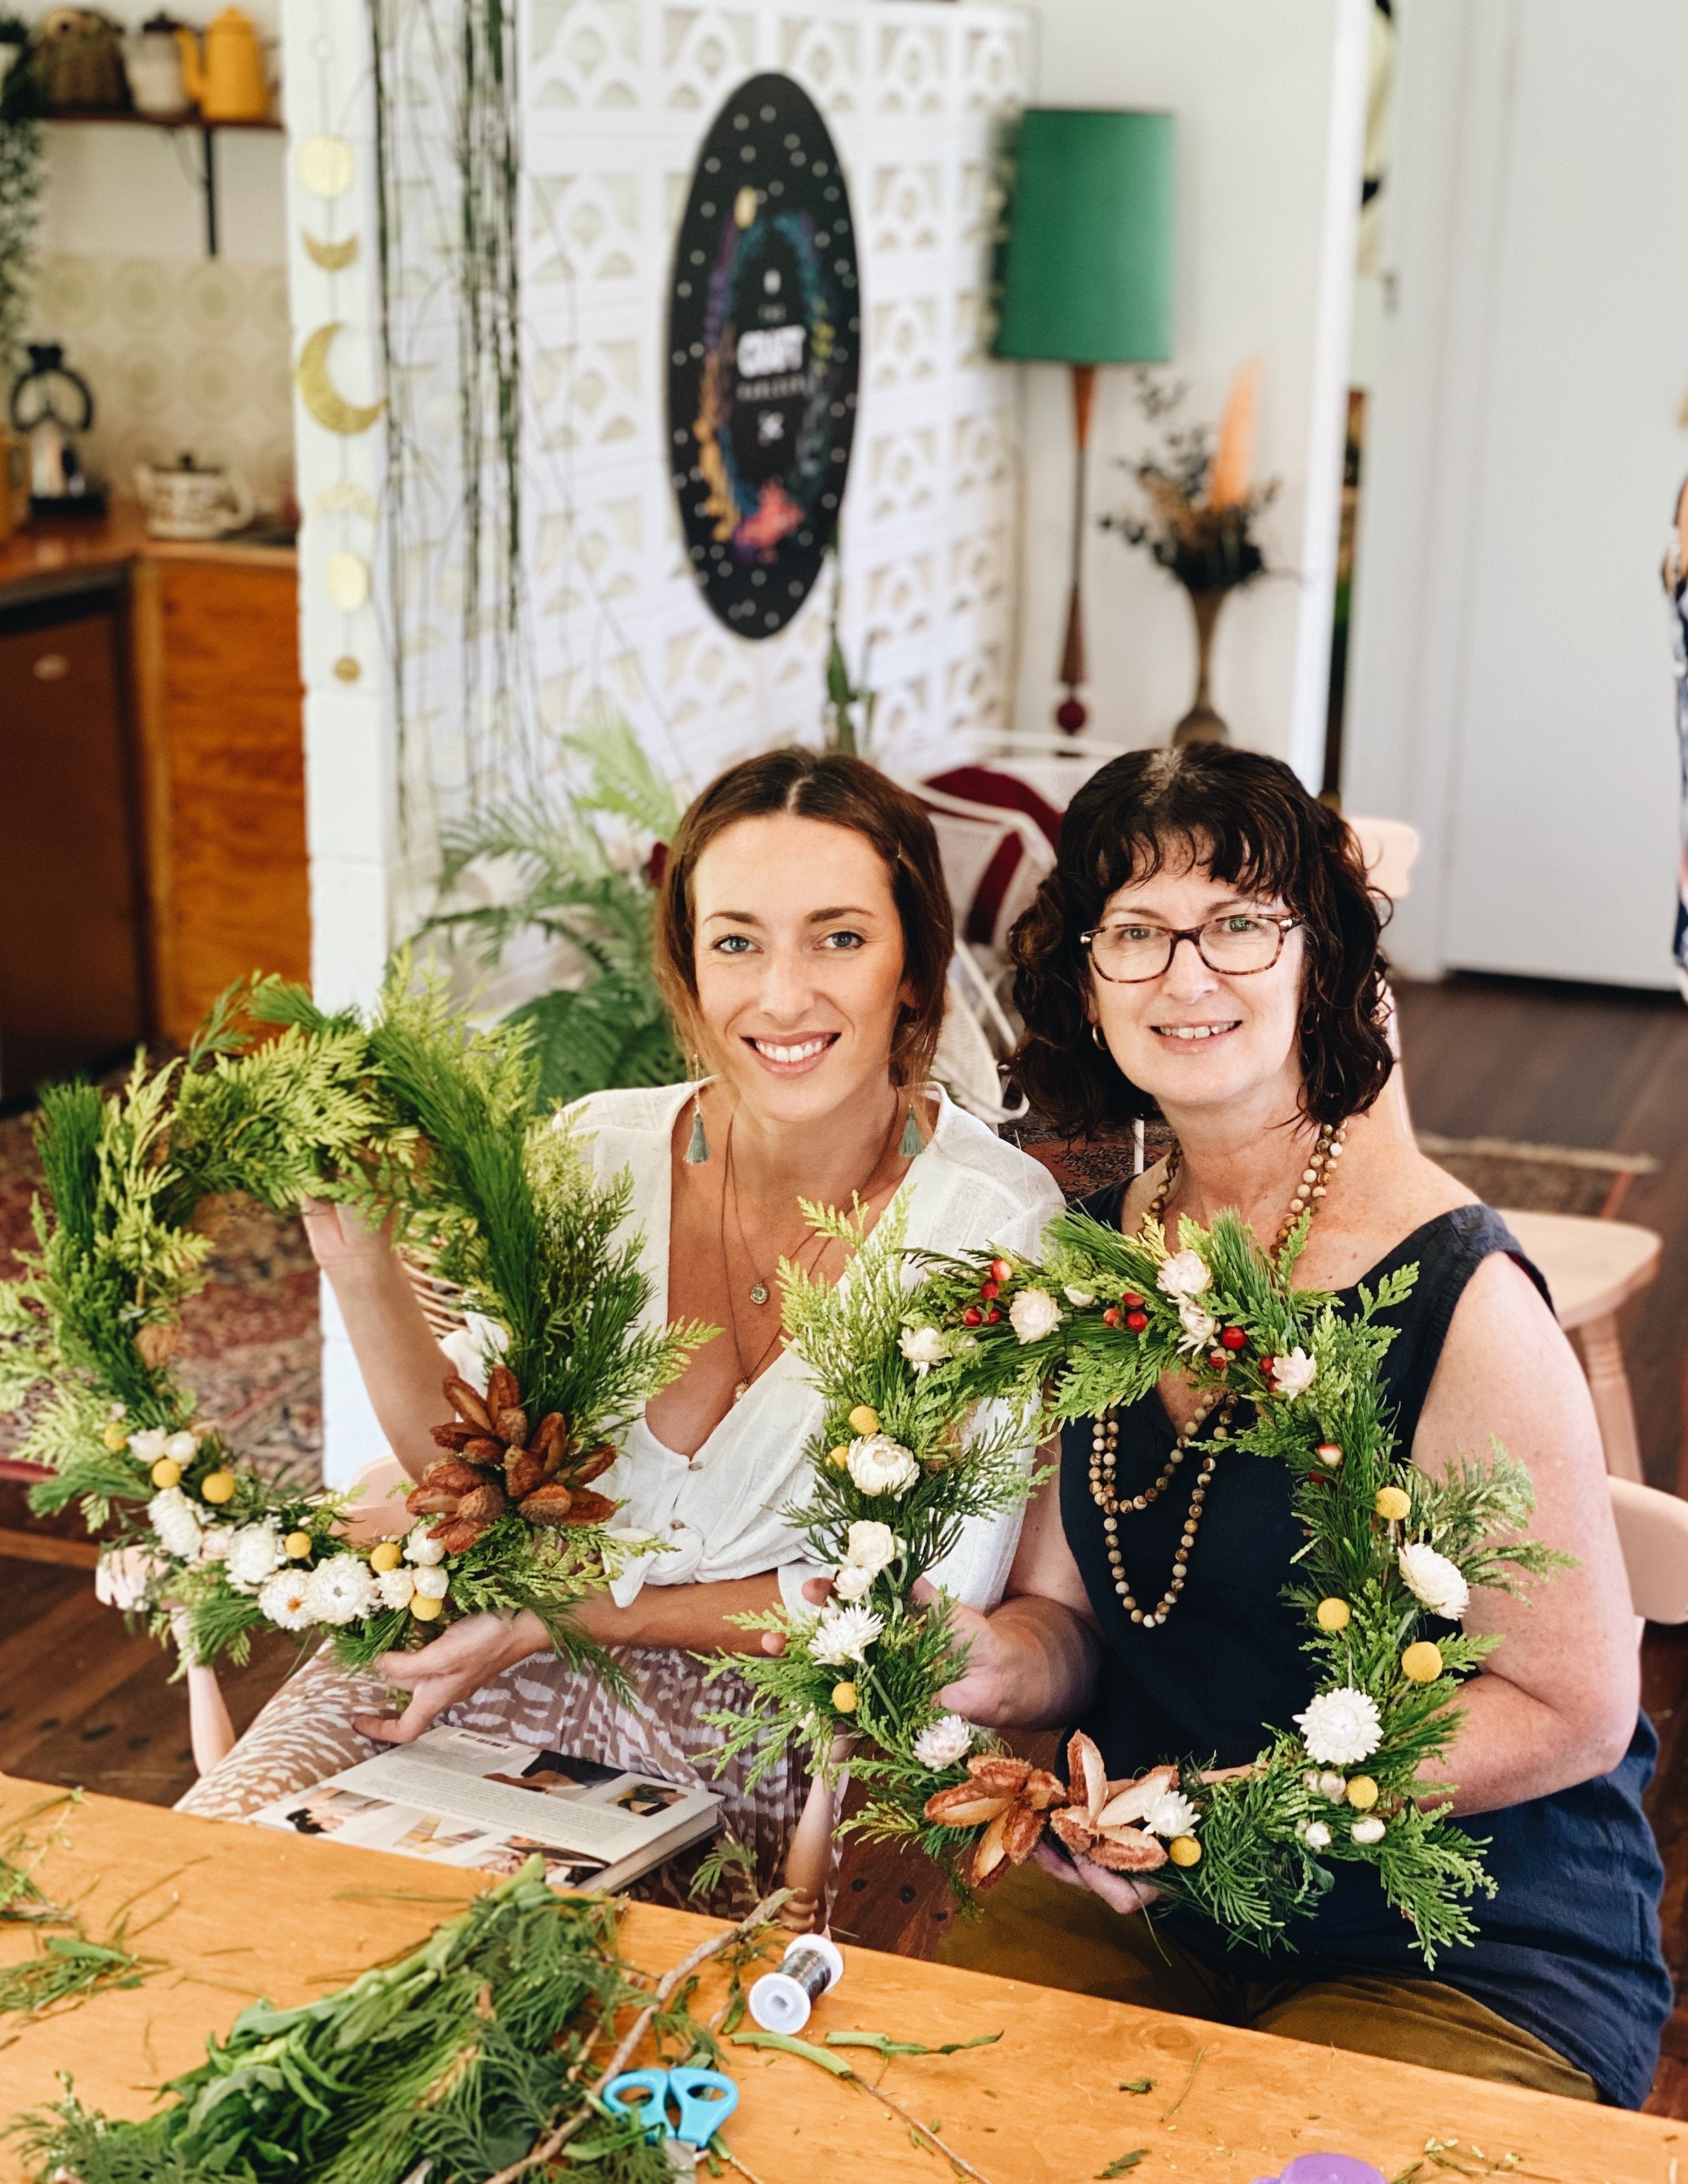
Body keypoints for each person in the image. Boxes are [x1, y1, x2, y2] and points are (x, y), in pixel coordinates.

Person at [178, 749, 1064, 1903]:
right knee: (213, 1885)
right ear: (690, 973)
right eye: (737, 941)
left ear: (913, 969)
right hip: (485, 1649)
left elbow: (910, 1606)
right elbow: (471, 1471)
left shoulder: (987, 1222)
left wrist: (565, 1618)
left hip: (774, 1725)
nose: (782, 995)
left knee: (521, 2007)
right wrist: (358, 1263)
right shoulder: (598, 1149)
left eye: (839, 938)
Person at [933, 744, 1669, 2108]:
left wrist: (1245, 1815)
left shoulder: (1459, 1293)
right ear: (1085, 983)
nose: (1186, 975)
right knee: (910, 2116)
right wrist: (976, 1662)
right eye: (1136, 933)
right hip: (1149, 1907)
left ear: (1321, 964)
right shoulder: (1096, 1255)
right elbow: (1070, 1618)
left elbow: (1572, 1707)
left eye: (1238, 925)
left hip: (1460, 1946)